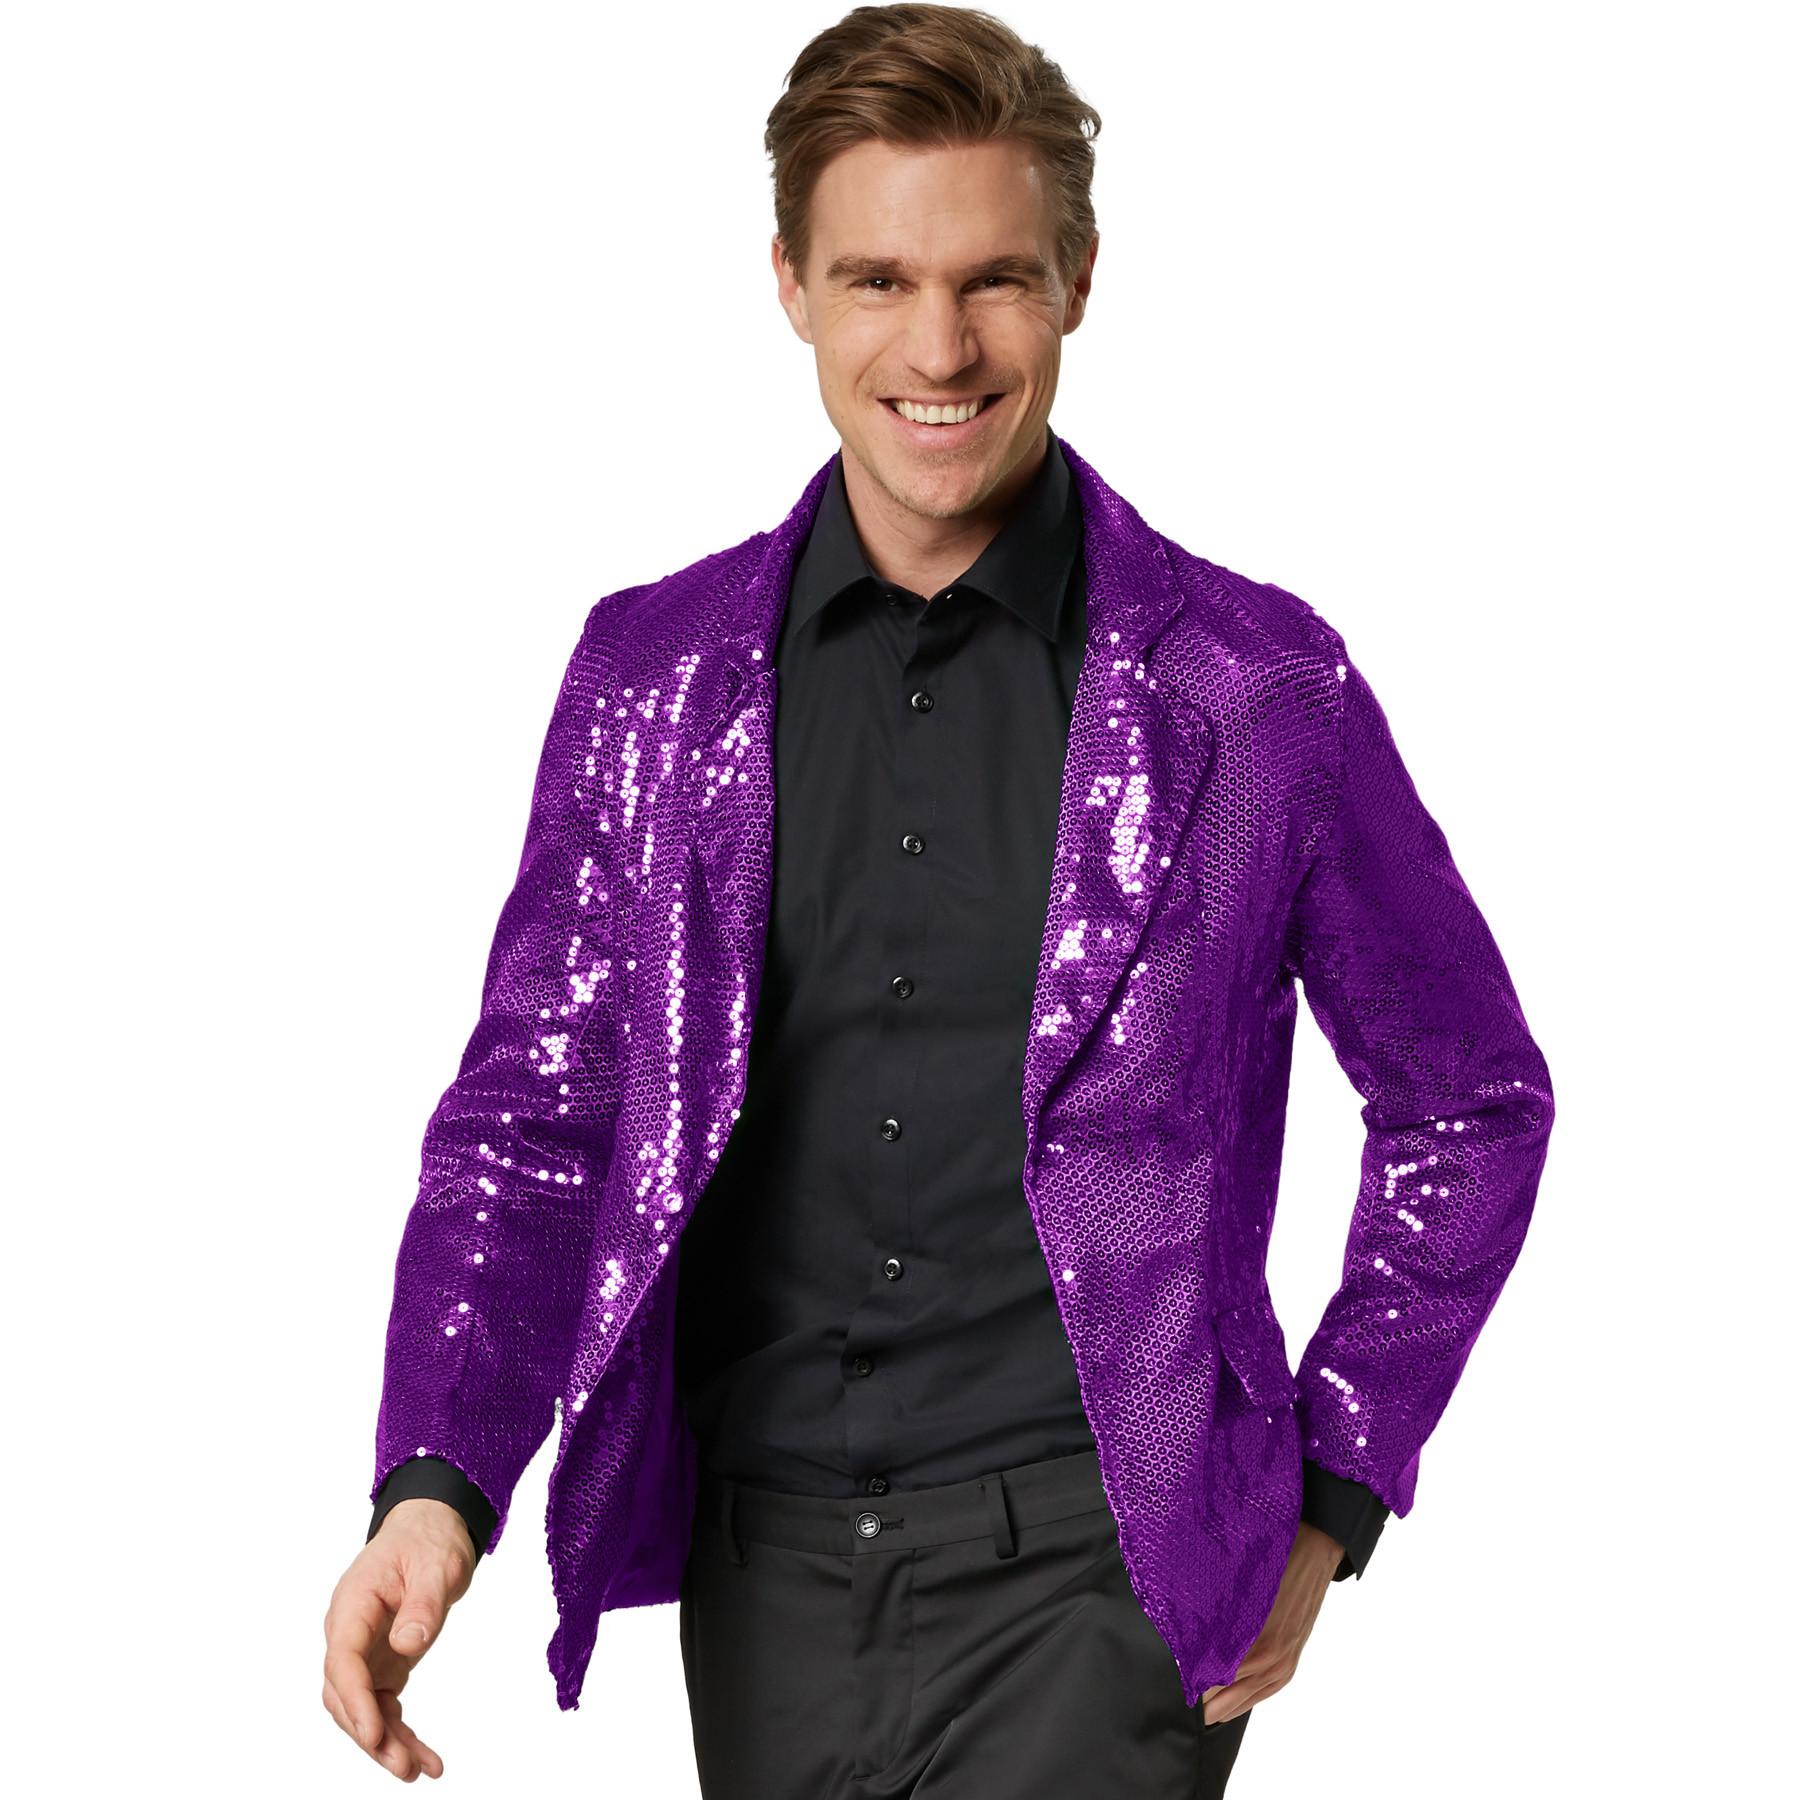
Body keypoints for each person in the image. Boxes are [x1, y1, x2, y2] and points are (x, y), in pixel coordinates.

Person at [321, 7, 1555, 1793]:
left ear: (1077, 284)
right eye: (879, 280)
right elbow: (536, 1116)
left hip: (1105, 1572)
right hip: (762, 1571)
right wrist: (436, 1488)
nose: (939, 347)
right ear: (790, 287)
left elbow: (1467, 1095)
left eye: (992, 281)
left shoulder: (1253, 691)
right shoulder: (651, 680)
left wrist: (1338, 1483)